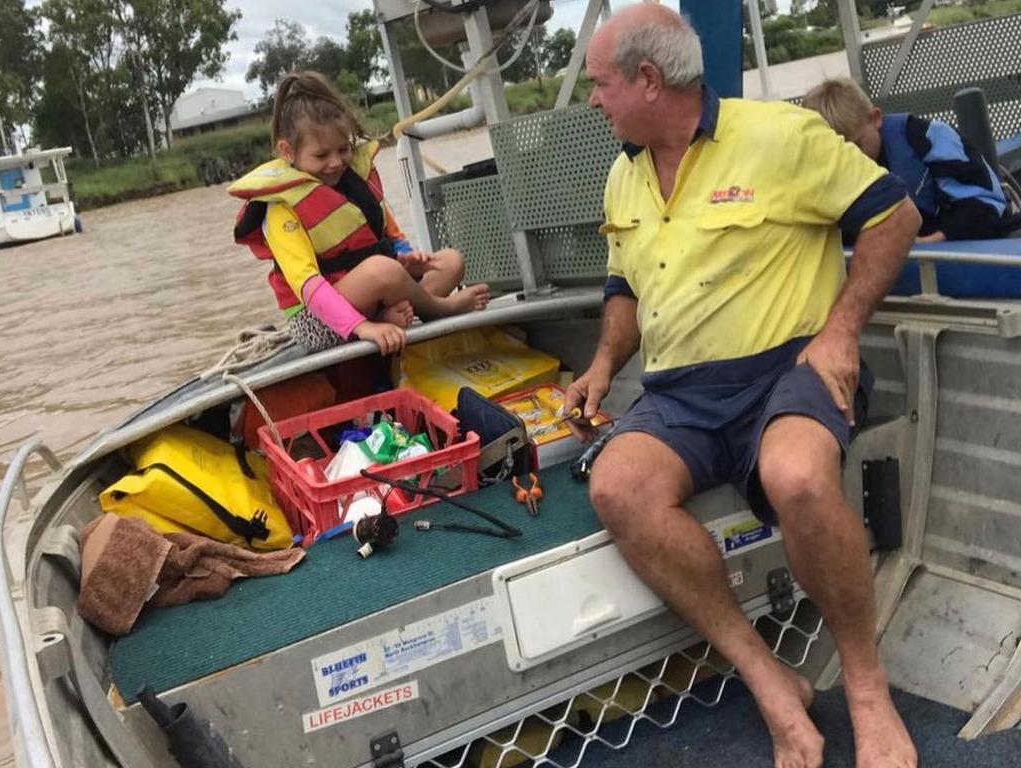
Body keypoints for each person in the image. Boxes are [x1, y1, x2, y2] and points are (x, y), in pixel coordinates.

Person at [563, 6, 921, 768]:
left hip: (784, 371)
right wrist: (599, 368)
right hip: (681, 393)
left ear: (648, 81)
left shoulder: (780, 137)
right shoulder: (622, 174)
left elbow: (896, 215)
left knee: (795, 474)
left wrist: (841, 331)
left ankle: (864, 687)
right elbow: (624, 288)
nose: (593, 100)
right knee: (619, 489)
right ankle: (767, 676)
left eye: (599, 84)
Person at [229, 71, 490, 356]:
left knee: (451, 261)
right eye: (321, 155)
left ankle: (390, 314)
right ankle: (439, 309)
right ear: (287, 151)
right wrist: (364, 328)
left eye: (343, 150)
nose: (335, 163)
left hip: (373, 291)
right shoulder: (280, 208)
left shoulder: (355, 182)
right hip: (317, 321)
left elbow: (390, 234)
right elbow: (308, 286)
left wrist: (407, 257)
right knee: (383, 271)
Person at [803, 77, 1019, 243]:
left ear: (875, 118)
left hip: (958, 247)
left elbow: (986, 203)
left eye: (859, 146)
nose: (853, 159)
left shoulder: (927, 138)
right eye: (840, 154)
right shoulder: (820, 173)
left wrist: (930, 242)